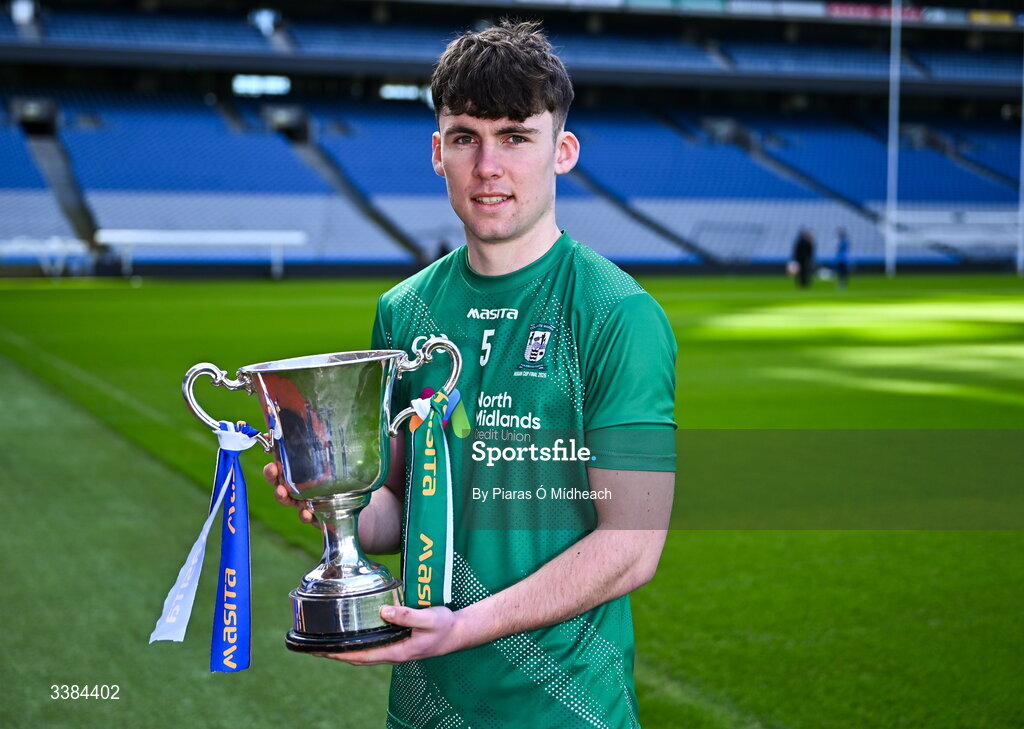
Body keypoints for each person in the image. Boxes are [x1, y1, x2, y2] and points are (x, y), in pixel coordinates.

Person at [265, 20, 677, 729]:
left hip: (568, 712)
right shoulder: (405, 311)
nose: (488, 165)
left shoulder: (617, 314)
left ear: (563, 151)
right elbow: (400, 506)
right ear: (437, 152)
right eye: (465, 137)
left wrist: (465, 625)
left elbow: (632, 545)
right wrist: (334, 489)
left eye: (515, 135)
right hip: (425, 709)